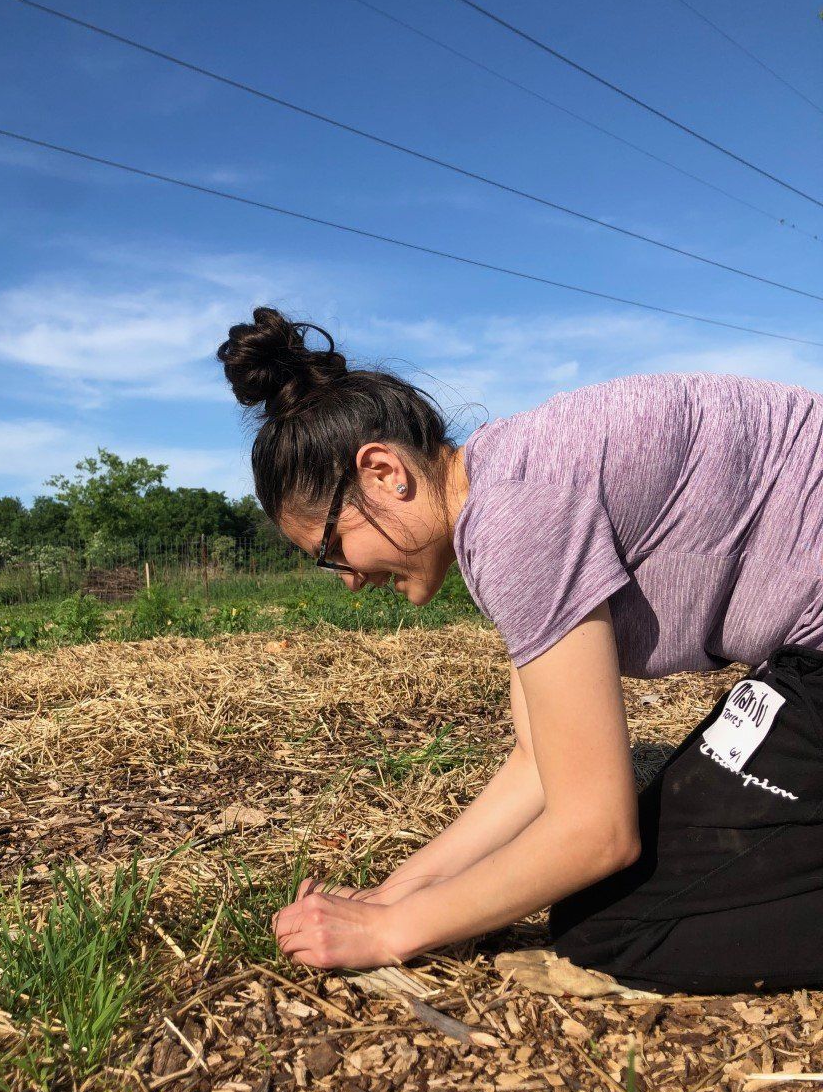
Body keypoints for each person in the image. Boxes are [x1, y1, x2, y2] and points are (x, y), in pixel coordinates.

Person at [217, 306, 823, 994]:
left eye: (331, 550)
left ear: (384, 472)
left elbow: (597, 830)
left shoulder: (515, 519)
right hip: (806, 651)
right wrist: (398, 892)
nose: (350, 580)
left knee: (615, 926)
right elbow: (539, 764)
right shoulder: (510, 479)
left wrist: (394, 932)